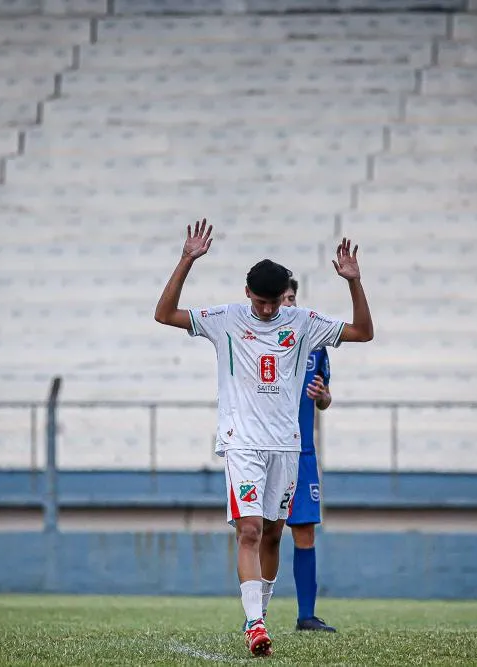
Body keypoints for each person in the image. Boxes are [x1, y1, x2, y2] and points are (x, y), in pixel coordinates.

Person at [154, 220, 373, 657]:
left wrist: (354, 282)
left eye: (274, 302)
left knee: (274, 533)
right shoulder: (226, 319)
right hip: (242, 443)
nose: (269, 310)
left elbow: (363, 332)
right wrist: (186, 260)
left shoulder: (303, 322)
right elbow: (164, 314)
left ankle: (260, 612)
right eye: (261, 302)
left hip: (287, 445)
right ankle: (255, 625)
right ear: (247, 293)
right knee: (250, 530)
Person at [281, 279, 337, 633]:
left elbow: (325, 397)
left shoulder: (315, 341)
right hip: (269, 450)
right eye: (282, 299)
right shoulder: (256, 340)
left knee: (305, 532)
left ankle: (306, 615)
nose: (288, 304)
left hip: (303, 453)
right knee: (264, 532)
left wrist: (322, 396)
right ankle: (256, 616)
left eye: (291, 298)